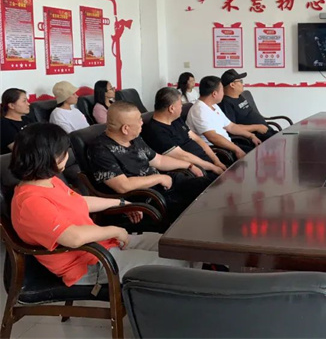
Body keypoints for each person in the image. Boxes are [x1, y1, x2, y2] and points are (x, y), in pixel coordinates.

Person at [10, 123, 194, 287]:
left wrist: (121, 202)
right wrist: (115, 230)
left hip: (103, 247)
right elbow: (73, 238)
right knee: (180, 265)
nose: (67, 156)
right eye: (64, 152)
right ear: (50, 157)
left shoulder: (49, 181)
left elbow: (79, 202)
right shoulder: (31, 202)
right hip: (91, 263)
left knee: (180, 249)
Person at [88, 101, 212, 222]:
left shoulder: (133, 138)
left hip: (164, 186)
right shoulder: (100, 149)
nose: (142, 122)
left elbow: (158, 160)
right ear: (125, 129)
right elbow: (123, 186)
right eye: (139, 120)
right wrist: (159, 178)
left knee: (208, 186)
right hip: (148, 199)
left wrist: (189, 165)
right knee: (199, 209)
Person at [141, 87, 227, 177]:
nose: (182, 106)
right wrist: (213, 167)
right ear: (171, 108)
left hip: (207, 163)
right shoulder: (155, 131)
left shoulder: (175, 119)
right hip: (195, 172)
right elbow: (183, 156)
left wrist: (216, 161)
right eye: (180, 104)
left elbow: (197, 139)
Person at [186, 76, 265, 160]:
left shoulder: (214, 106)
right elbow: (213, 137)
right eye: (222, 91)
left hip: (228, 146)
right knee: (254, 158)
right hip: (217, 152)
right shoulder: (199, 110)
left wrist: (251, 136)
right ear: (214, 94)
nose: (224, 94)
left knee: (260, 153)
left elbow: (231, 126)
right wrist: (237, 150)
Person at [218, 69, 277, 142]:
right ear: (232, 85)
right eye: (240, 81)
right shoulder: (226, 103)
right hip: (255, 138)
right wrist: (257, 127)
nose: (243, 84)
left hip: (265, 132)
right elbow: (232, 127)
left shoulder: (239, 96)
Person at [1, 88, 33, 155]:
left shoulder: (27, 119)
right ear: (11, 105)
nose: (28, 104)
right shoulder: (4, 125)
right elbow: (19, 151)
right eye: (24, 101)